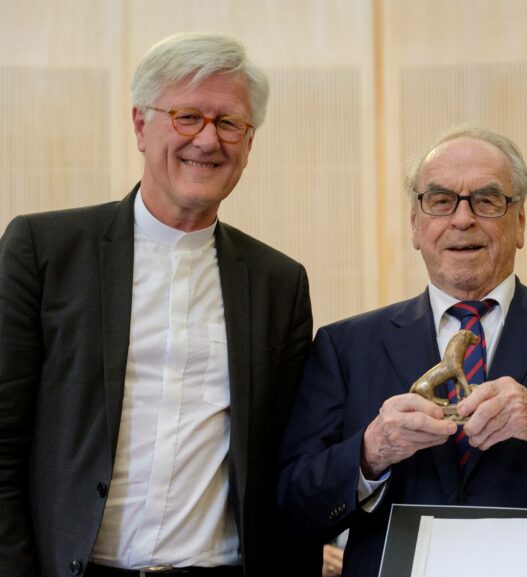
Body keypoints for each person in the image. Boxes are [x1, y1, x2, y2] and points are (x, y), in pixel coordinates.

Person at [277, 125, 527, 577]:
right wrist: (371, 451)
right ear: (416, 226)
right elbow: (292, 503)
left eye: (487, 200)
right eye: (440, 201)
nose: (463, 219)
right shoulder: (345, 347)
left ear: (519, 223)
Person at [0, 32, 317, 576]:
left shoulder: (278, 283)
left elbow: (285, 466)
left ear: (249, 141)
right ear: (141, 125)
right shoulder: (44, 252)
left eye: (229, 123)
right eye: (187, 116)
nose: (208, 140)